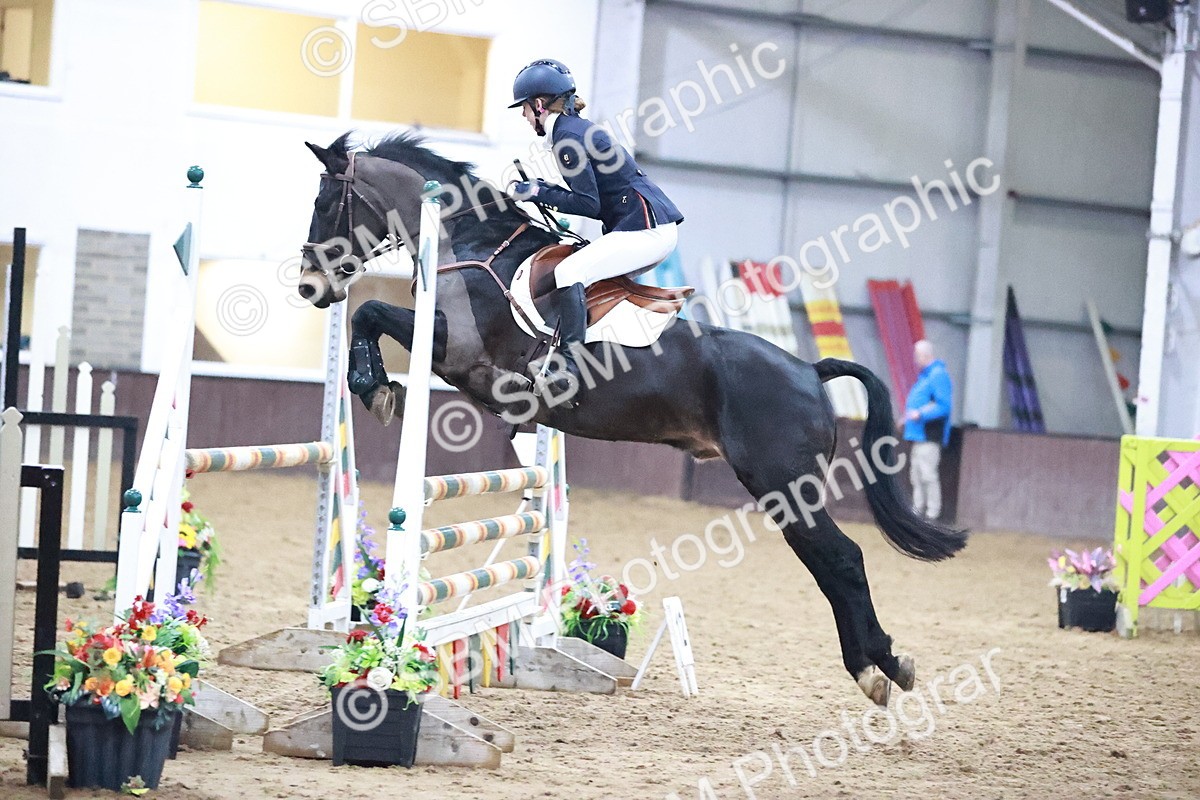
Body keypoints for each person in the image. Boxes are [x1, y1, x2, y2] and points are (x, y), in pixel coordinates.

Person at [508, 58, 683, 403]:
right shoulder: (573, 131)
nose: (524, 117)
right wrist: (543, 189)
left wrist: (538, 192)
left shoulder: (567, 139)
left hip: (646, 231)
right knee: (583, 271)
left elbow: (588, 204)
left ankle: (569, 367)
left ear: (540, 105)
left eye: (525, 109)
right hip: (641, 226)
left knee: (570, 270)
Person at [903, 340, 952, 520]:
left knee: (927, 475)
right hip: (919, 435)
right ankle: (918, 511)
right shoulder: (926, 377)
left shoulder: (938, 375)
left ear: (924, 355)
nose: (915, 360)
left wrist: (920, 414)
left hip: (929, 435)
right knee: (916, 475)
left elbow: (943, 406)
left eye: (916, 356)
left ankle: (932, 513)